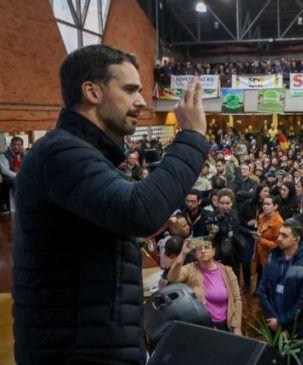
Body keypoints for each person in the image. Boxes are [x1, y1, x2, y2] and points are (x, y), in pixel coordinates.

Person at [12, 45, 208, 365]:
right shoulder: (62, 153)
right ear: (92, 91)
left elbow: (121, 220)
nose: (142, 101)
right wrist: (192, 138)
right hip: (75, 350)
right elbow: (138, 212)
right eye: (130, 90)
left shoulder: (84, 154)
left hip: (92, 341)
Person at [257, 219, 303, 336]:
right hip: (272, 323)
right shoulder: (272, 258)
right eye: (280, 234)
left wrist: (281, 322)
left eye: (284, 235)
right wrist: (273, 318)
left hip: (296, 328)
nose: (279, 238)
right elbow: (263, 289)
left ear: (297, 239)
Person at [167, 238, 243, 333]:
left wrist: (237, 327)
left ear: (213, 251)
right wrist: (183, 253)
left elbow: (237, 299)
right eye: (199, 249)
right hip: (201, 325)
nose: (203, 251)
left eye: (206, 247)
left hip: (224, 323)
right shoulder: (191, 269)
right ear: (195, 254)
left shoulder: (227, 271)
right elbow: (171, 278)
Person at [251, 195, 283, 290]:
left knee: (268, 283)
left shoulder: (279, 222)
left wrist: (261, 240)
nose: (265, 206)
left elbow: (278, 245)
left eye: (268, 204)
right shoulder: (262, 217)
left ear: (275, 206)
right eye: (264, 204)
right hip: (259, 253)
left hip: (270, 257)